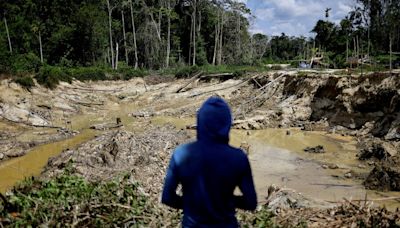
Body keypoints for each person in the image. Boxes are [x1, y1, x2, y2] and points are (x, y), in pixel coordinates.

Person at [161, 96, 257, 227]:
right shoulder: (238, 157)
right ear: (227, 123)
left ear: (200, 122)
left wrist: (192, 203)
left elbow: (167, 198)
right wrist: (227, 200)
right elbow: (251, 202)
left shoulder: (181, 153)